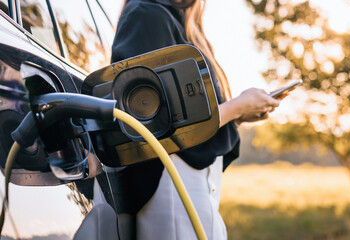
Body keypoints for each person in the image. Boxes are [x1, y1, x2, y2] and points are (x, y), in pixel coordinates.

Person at [110, 0, 288, 239]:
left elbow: (186, 113)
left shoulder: (178, 22)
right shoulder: (147, 14)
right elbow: (153, 120)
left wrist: (238, 116)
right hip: (171, 180)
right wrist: (236, 108)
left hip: (191, 181)